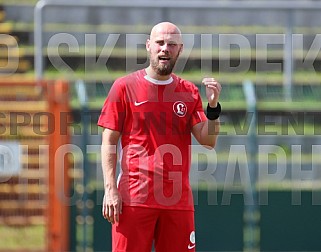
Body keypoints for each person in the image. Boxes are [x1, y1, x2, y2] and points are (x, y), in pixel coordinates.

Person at [97, 21, 222, 252]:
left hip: (178, 202)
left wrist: (213, 108)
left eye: (171, 44)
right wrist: (110, 189)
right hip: (134, 199)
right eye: (160, 43)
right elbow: (108, 140)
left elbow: (208, 140)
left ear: (180, 50)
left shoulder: (188, 92)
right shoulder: (124, 87)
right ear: (148, 46)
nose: (165, 48)